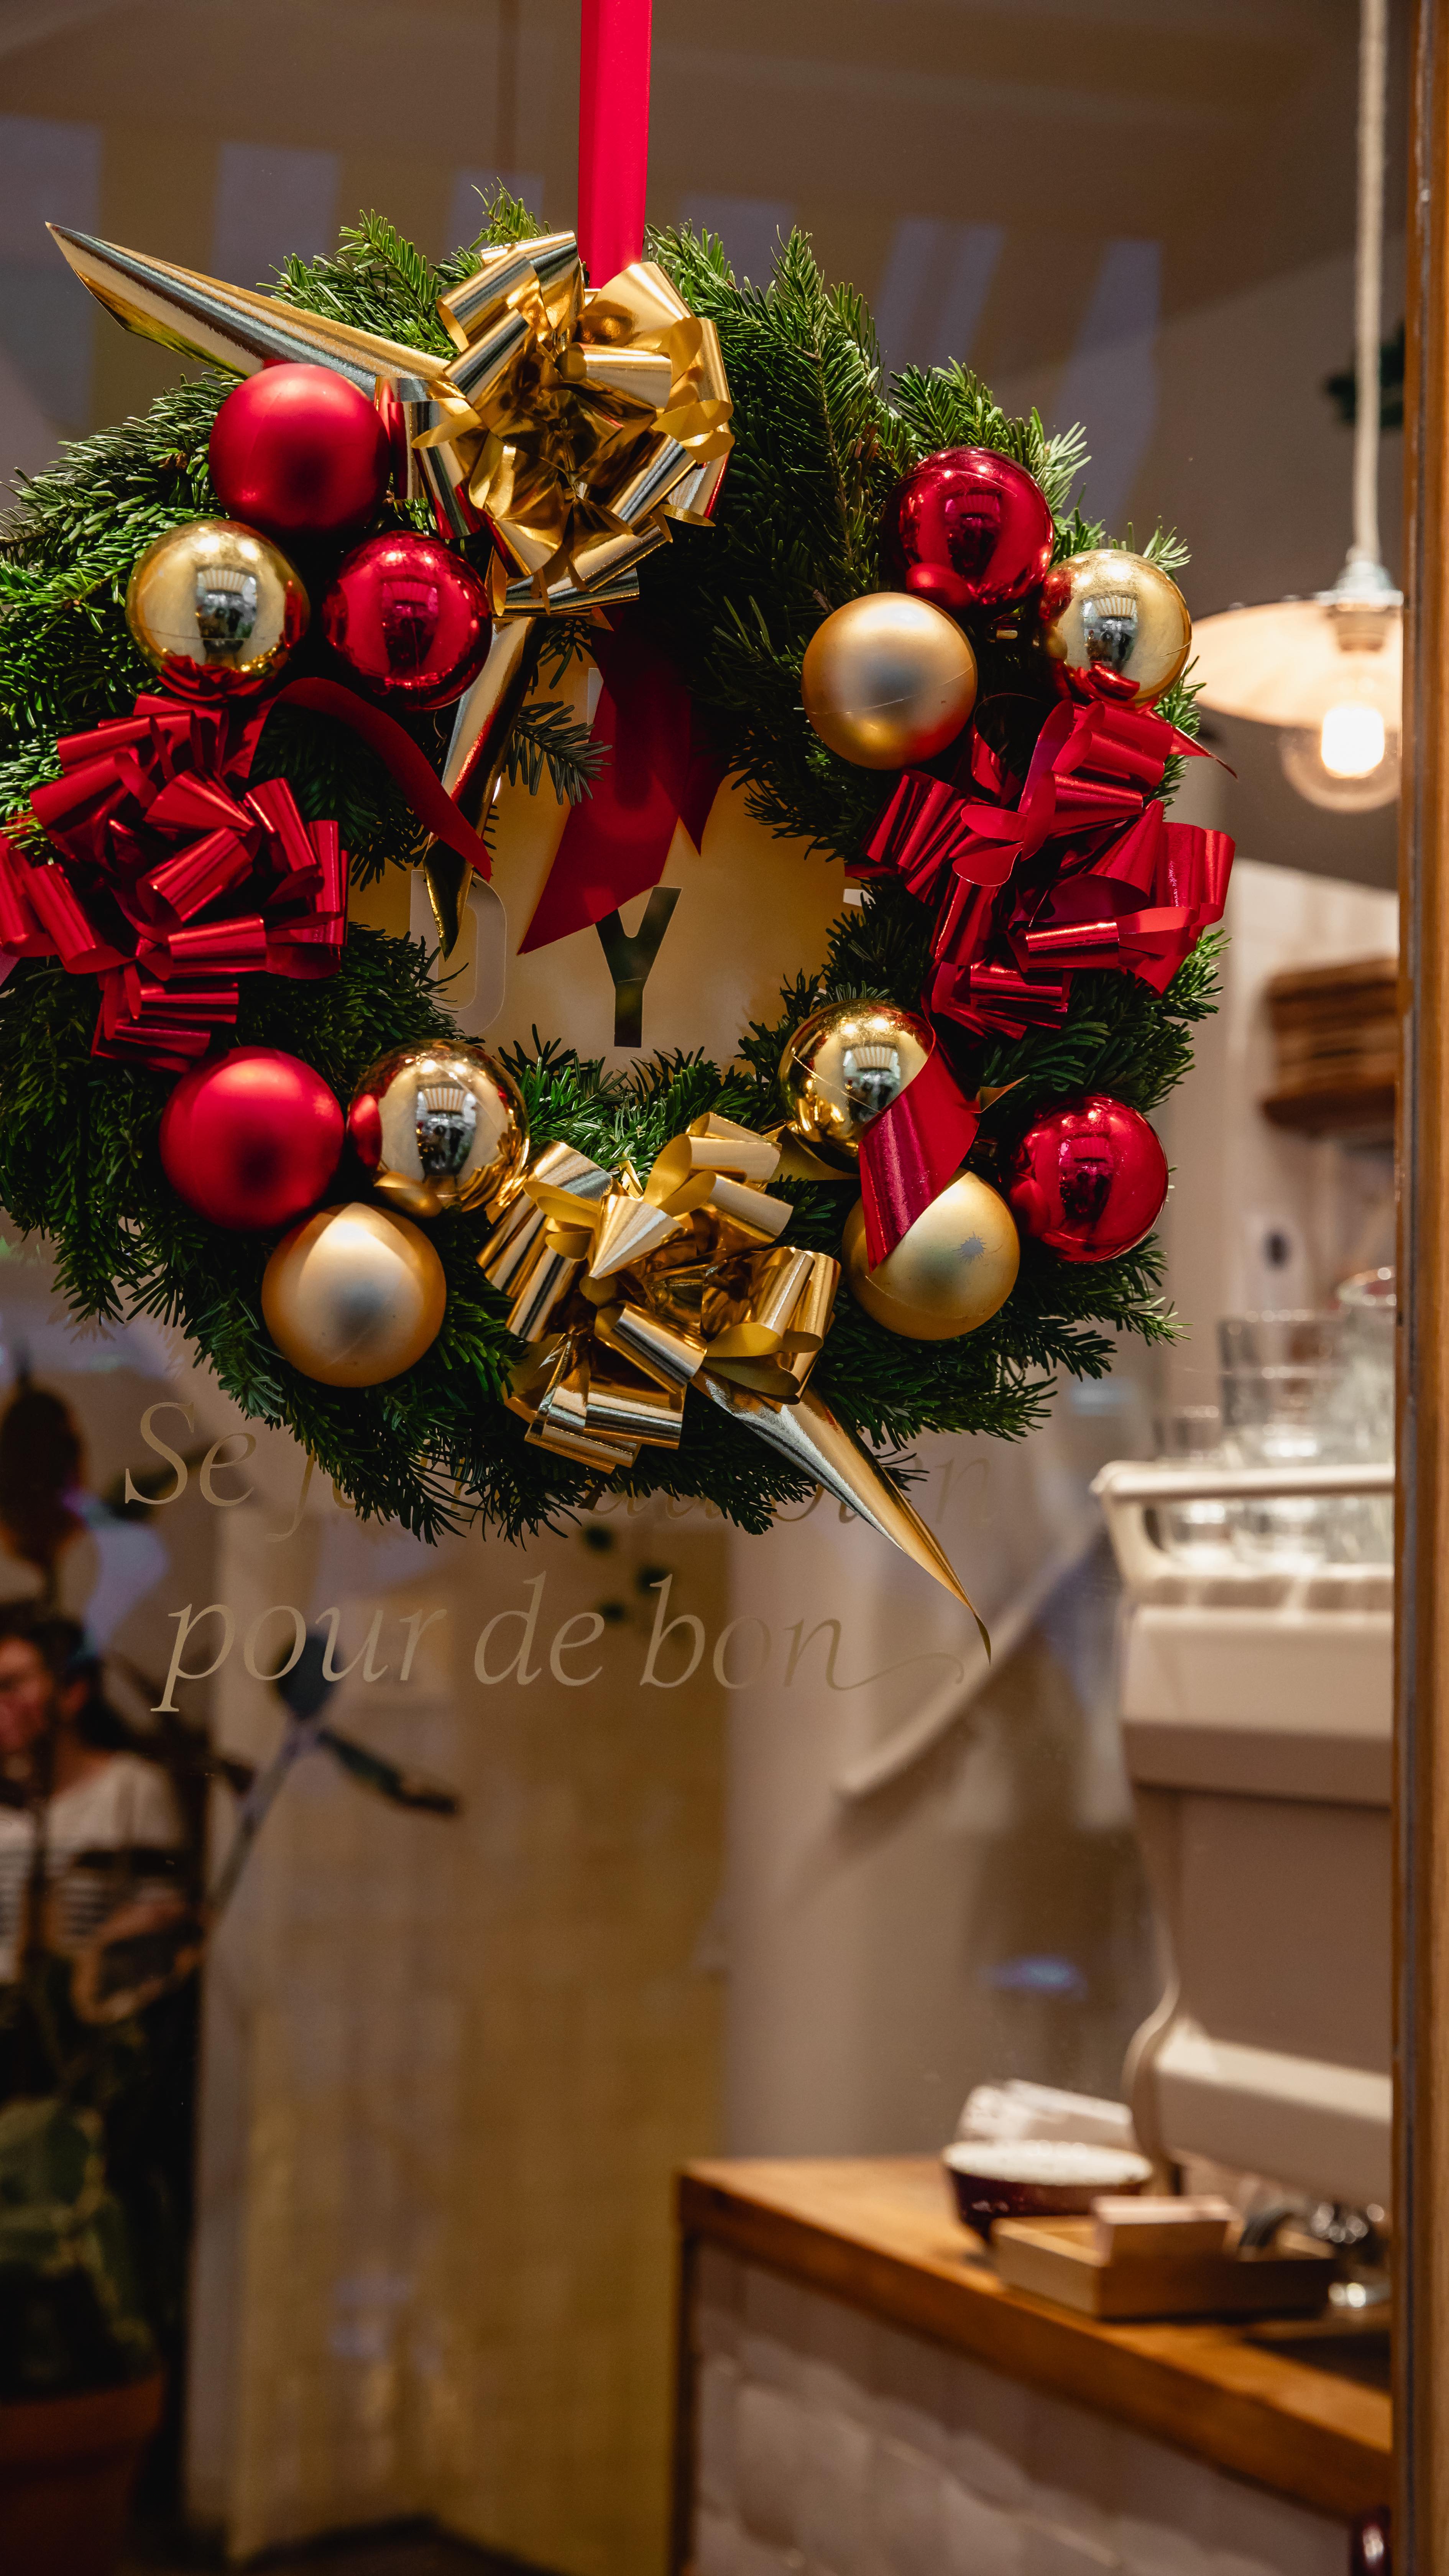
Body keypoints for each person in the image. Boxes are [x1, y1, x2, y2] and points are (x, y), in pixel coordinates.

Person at [0, 1604, 186, 1987]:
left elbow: (160, 1926)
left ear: (72, 1691)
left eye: (10, 1685)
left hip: (79, 2026)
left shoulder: (131, 1789)